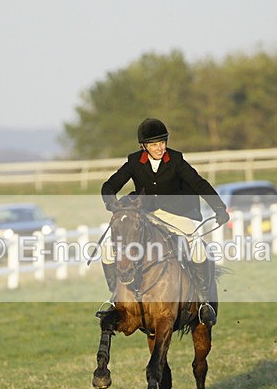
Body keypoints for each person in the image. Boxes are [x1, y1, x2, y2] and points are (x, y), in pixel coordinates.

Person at [98, 118, 230, 325]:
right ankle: (116, 297)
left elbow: (198, 183)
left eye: (162, 143)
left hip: (177, 215)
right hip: (147, 215)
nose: (159, 148)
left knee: (197, 247)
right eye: (153, 144)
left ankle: (204, 301)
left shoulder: (176, 160)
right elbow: (110, 185)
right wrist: (112, 204)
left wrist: (219, 207)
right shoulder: (134, 161)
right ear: (144, 146)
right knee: (107, 250)